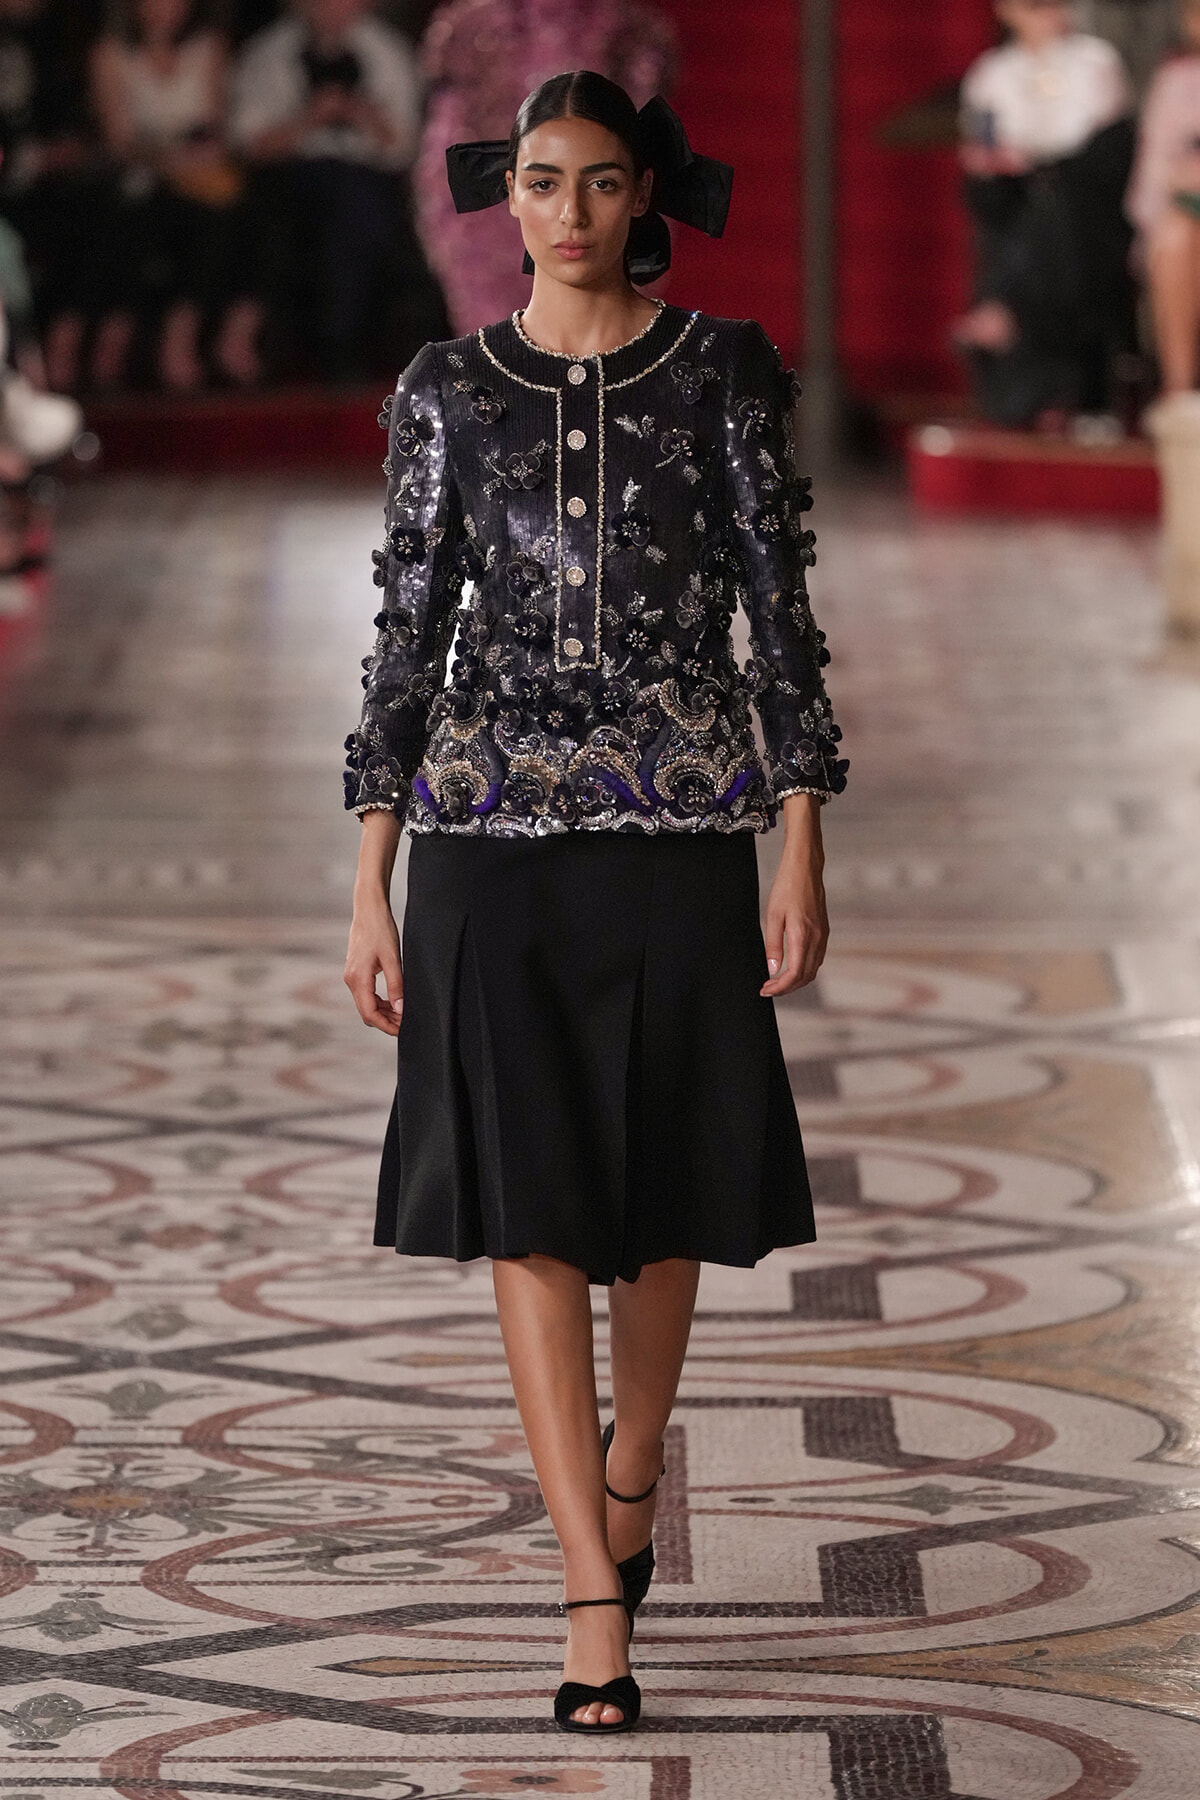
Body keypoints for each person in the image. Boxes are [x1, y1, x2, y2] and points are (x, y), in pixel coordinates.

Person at [342, 70, 847, 1732]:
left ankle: (635, 1476)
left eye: (602, 180)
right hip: (486, 844)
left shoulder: (724, 373)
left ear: (649, 195)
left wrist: (800, 841)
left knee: (671, 1190)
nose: (568, 211)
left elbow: (781, 610)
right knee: (533, 1204)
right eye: (542, 181)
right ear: (505, 199)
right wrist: (371, 878)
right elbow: (406, 639)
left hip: (685, 833)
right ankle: (587, 1595)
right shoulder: (446, 391)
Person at [414, 0, 674, 334]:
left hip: (592, 207)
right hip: (490, 218)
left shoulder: (626, 31)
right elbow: (448, 144)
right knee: (501, 350)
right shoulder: (470, 28)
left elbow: (643, 133)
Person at [229, 0, 443, 381]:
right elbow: (249, 143)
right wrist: (311, 118)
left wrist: (358, 113)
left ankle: (342, 347)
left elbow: (404, 146)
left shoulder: (387, 52)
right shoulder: (270, 53)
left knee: (358, 212)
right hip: (289, 178)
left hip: (366, 179)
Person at [955, 0, 1137, 427]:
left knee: (1055, 204)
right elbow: (983, 149)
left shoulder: (1097, 61)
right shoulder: (991, 72)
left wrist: (1032, 159)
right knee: (1027, 206)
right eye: (1036, 5)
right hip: (1015, 203)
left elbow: (1102, 145)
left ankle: (1004, 306)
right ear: (1008, 12)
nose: (1050, 13)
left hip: (1087, 203)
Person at [89, 0, 260, 390]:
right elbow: (118, 142)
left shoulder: (209, 47)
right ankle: (141, 340)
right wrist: (171, 161)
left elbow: (220, 125)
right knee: (156, 216)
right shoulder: (110, 53)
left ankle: (204, 336)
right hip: (138, 179)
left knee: (237, 216)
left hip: (202, 176)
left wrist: (203, 155)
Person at [1127, 0, 1200, 393]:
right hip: (1185, 224)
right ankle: (1181, 392)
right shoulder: (1175, 83)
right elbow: (1151, 182)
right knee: (1174, 241)